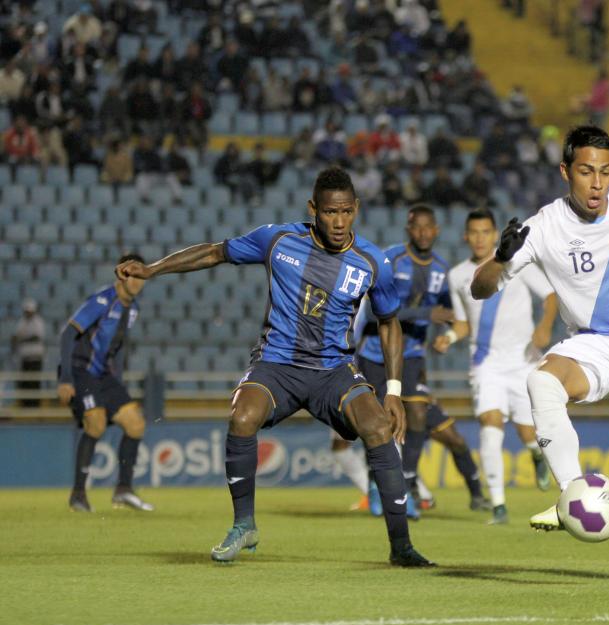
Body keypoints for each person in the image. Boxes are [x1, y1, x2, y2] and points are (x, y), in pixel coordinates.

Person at [115, 167, 434, 567]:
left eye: (347, 212)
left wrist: (393, 391)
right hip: (277, 365)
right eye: (331, 212)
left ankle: (401, 545)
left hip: (332, 371)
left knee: (378, 428)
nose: (339, 222)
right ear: (313, 208)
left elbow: (389, 322)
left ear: (357, 209)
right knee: (242, 415)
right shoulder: (278, 239)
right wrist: (152, 270)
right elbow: (215, 251)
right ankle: (244, 525)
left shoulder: (372, 262)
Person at [469, 126, 609, 584]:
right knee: (541, 381)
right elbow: (480, 288)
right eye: (586, 172)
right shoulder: (543, 226)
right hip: (593, 342)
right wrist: (499, 258)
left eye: (606, 172)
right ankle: (572, 494)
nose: (598, 184)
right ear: (565, 172)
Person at [357, 206, 484, 513]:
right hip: (376, 353)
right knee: (378, 424)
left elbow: (450, 310)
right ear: (408, 230)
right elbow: (376, 311)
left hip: (411, 354)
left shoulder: (442, 270)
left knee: (415, 414)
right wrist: (427, 314)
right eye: (418, 228)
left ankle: (407, 481)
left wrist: (450, 334)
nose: (424, 233)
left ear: (437, 230)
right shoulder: (391, 259)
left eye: (430, 228)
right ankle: (376, 485)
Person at [435, 208, 557, 524]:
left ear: (493, 235)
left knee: (526, 428)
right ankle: (499, 505)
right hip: (485, 361)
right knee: (490, 424)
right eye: (473, 232)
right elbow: (463, 323)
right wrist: (450, 335)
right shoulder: (458, 275)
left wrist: (544, 326)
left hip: (522, 358)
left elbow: (551, 296)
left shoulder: (516, 262)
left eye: (485, 232)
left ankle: (535, 453)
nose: (479, 238)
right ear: (465, 236)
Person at [59, 253, 154, 513]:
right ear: (122, 274)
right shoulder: (102, 300)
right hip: (81, 370)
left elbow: (119, 348)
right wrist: (66, 377)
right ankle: (78, 495)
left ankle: (123, 490)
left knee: (135, 424)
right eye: (132, 274)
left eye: (141, 275)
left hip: (104, 376)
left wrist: (119, 383)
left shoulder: (132, 309)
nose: (137, 281)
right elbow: (68, 333)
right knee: (96, 422)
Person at [12, 298, 46, 408]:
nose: (28, 313)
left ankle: (34, 405)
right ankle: (25, 405)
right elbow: (15, 337)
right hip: (25, 357)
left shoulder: (38, 321)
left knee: (34, 382)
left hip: (35, 357)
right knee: (25, 382)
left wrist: (23, 339)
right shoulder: (21, 322)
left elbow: (36, 337)